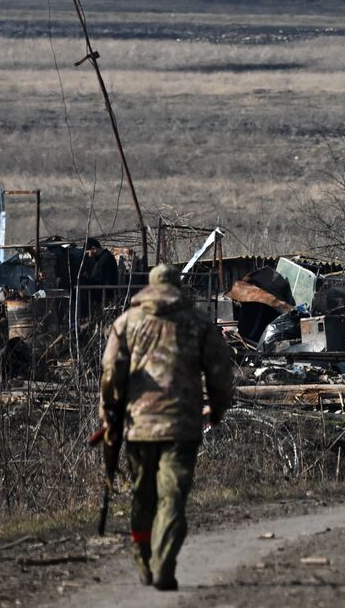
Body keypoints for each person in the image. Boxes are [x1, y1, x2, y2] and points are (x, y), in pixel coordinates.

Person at [99, 263, 236, 590]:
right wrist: (217, 409)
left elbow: (109, 374)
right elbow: (220, 372)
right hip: (182, 426)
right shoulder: (199, 322)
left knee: (142, 497)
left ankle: (144, 562)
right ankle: (164, 564)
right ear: (177, 287)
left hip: (138, 426)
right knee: (172, 498)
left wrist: (109, 415)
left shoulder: (126, 322)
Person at [77, 237, 119, 320]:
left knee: (103, 319)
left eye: (88, 252)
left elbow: (100, 278)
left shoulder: (105, 259)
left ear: (93, 248)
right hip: (103, 295)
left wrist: (88, 278)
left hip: (105, 296)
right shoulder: (103, 258)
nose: (88, 255)